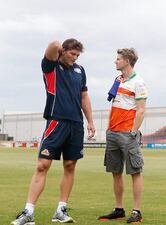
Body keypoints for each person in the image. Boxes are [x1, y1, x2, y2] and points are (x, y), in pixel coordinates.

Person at [11, 38, 96, 225]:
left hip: (76, 125)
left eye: (77, 55)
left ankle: (61, 210)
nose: (75, 58)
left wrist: (90, 121)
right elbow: (54, 44)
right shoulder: (51, 66)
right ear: (63, 51)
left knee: (70, 166)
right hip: (55, 122)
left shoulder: (80, 70)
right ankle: (28, 212)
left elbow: (84, 96)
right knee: (42, 165)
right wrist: (61, 52)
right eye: (72, 54)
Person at [98, 48, 147, 224]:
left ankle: (137, 210)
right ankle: (119, 209)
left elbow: (141, 110)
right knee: (115, 172)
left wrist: (133, 131)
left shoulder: (139, 83)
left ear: (127, 61)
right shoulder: (118, 80)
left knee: (135, 171)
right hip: (113, 132)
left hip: (128, 133)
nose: (115, 61)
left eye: (118, 59)